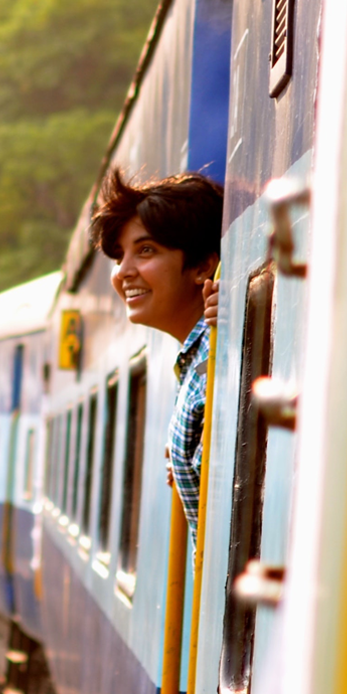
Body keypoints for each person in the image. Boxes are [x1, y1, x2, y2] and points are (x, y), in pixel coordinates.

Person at [91, 167, 224, 551]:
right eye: (121, 256)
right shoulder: (198, 362)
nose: (123, 272)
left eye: (145, 250)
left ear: (202, 266)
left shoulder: (220, 360)